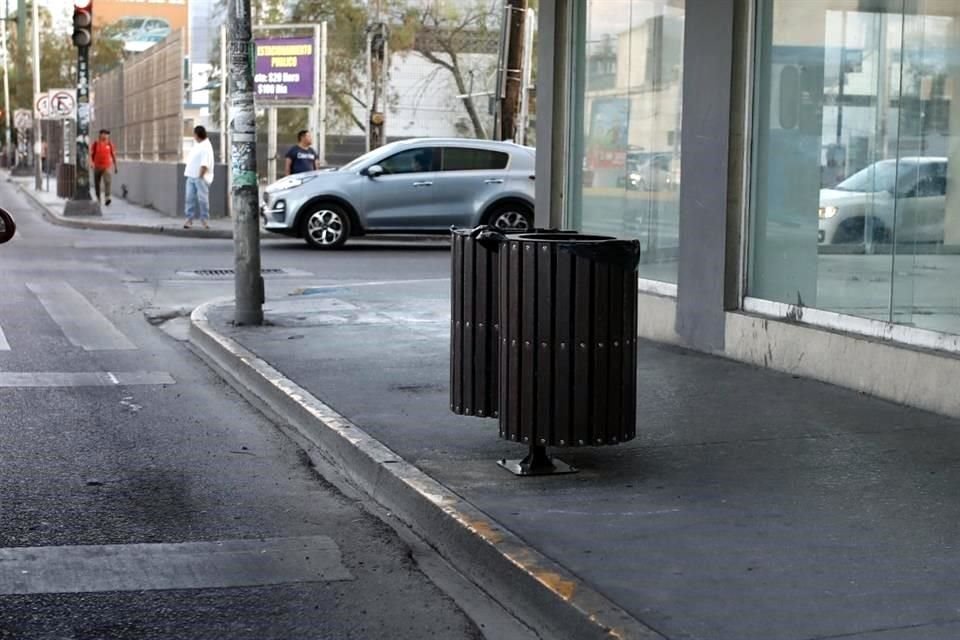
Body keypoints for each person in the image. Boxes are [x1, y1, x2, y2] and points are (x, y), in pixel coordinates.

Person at [183, 125, 215, 229]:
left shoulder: (206, 147)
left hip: (199, 177)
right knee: (189, 198)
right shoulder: (199, 145)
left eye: (194, 134)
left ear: (197, 135)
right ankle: (189, 219)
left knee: (202, 199)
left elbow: (205, 164)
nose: (194, 136)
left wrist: (200, 176)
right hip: (191, 176)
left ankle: (205, 220)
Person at [90, 130, 118, 206]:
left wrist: (115, 166)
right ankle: (98, 198)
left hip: (107, 167)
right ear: (100, 135)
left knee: (107, 181)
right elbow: (91, 155)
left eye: (107, 135)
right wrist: (92, 163)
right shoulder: (95, 144)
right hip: (97, 167)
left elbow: (113, 155)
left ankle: (107, 198)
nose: (106, 136)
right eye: (104, 134)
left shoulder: (110, 144)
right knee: (97, 183)